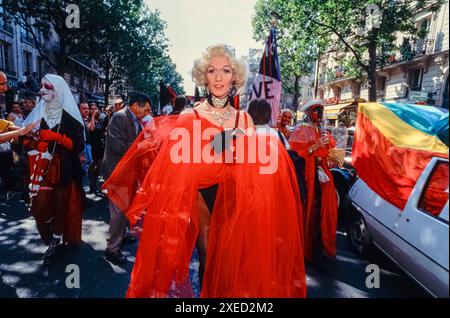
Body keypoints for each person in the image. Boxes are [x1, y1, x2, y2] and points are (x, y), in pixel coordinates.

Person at [103, 44, 306, 298]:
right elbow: (185, 161)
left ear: (235, 77)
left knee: (232, 259)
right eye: (212, 71)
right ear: (204, 76)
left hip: (236, 193)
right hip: (203, 190)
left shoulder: (245, 119)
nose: (219, 77)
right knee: (209, 254)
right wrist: (224, 142)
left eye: (226, 71)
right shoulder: (191, 117)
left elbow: (250, 160)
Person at [22, 74, 86, 265]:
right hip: (40, 168)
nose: (42, 90)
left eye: (47, 86)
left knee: (60, 207)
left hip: (64, 168)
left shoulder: (70, 116)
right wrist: (34, 142)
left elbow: (78, 146)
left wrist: (57, 138)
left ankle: (55, 241)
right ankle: (51, 233)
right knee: (39, 208)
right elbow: (24, 138)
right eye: (41, 86)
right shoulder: (38, 111)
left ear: (57, 90)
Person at [102, 92, 151, 265]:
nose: (148, 112)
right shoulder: (120, 117)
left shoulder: (133, 119)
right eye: (146, 109)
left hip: (127, 173)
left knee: (124, 209)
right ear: (136, 105)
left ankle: (121, 236)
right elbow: (117, 147)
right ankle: (112, 249)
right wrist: (141, 145)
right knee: (118, 213)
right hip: (117, 173)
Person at [289, 99, 338, 263]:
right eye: (317, 110)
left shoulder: (321, 129)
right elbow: (296, 156)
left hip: (321, 176)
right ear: (309, 112)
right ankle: (309, 249)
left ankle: (319, 248)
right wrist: (315, 147)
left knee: (322, 212)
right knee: (312, 210)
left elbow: (324, 152)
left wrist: (329, 156)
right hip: (308, 178)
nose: (320, 113)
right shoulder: (302, 129)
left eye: (321, 110)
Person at [87, 103, 107, 195]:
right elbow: (91, 129)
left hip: (100, 146)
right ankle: (92, 186)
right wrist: (93, 116)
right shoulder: (88, 119)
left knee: (99, 167)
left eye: (96, 108)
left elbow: (103, 131)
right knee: (92, 166)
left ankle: (96, 184)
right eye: (92, 109)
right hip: (92, 146)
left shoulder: (101, 119)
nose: (94, 110)